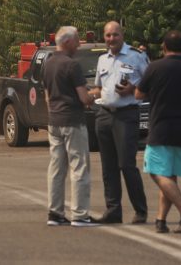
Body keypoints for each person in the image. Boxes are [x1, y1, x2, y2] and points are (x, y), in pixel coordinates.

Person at [135, 30, 181, 234]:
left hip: (161, 129)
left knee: (156, 172)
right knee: (170, 177)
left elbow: (139, 95)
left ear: (164, 47)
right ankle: (161, 220)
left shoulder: (155, 67)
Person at [90, 21, 149, 224]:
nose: (111, 39)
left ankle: (140, 211)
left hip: (126, 115)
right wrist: (87, 96)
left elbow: (150, 84)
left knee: (126, 164)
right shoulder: (102, 59)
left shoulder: (136, 56)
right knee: (108, 166)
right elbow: (99, 87)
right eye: (107, 35)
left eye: (115, 35)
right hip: (104, 114)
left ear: (122, 35)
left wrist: (132, 89)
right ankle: (113, 210)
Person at [43, 26, 102, 227]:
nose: (79, 44)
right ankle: (80, 214)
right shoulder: (72, 65)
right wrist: (97, 94)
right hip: (73, 121)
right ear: (67, 42)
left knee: (56, 168)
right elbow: (84, 97)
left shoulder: (48, 63)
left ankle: (55, 212)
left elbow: (47, 95)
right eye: (77, 40)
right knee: (79, 167)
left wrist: (53, 112)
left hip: (54, 120)